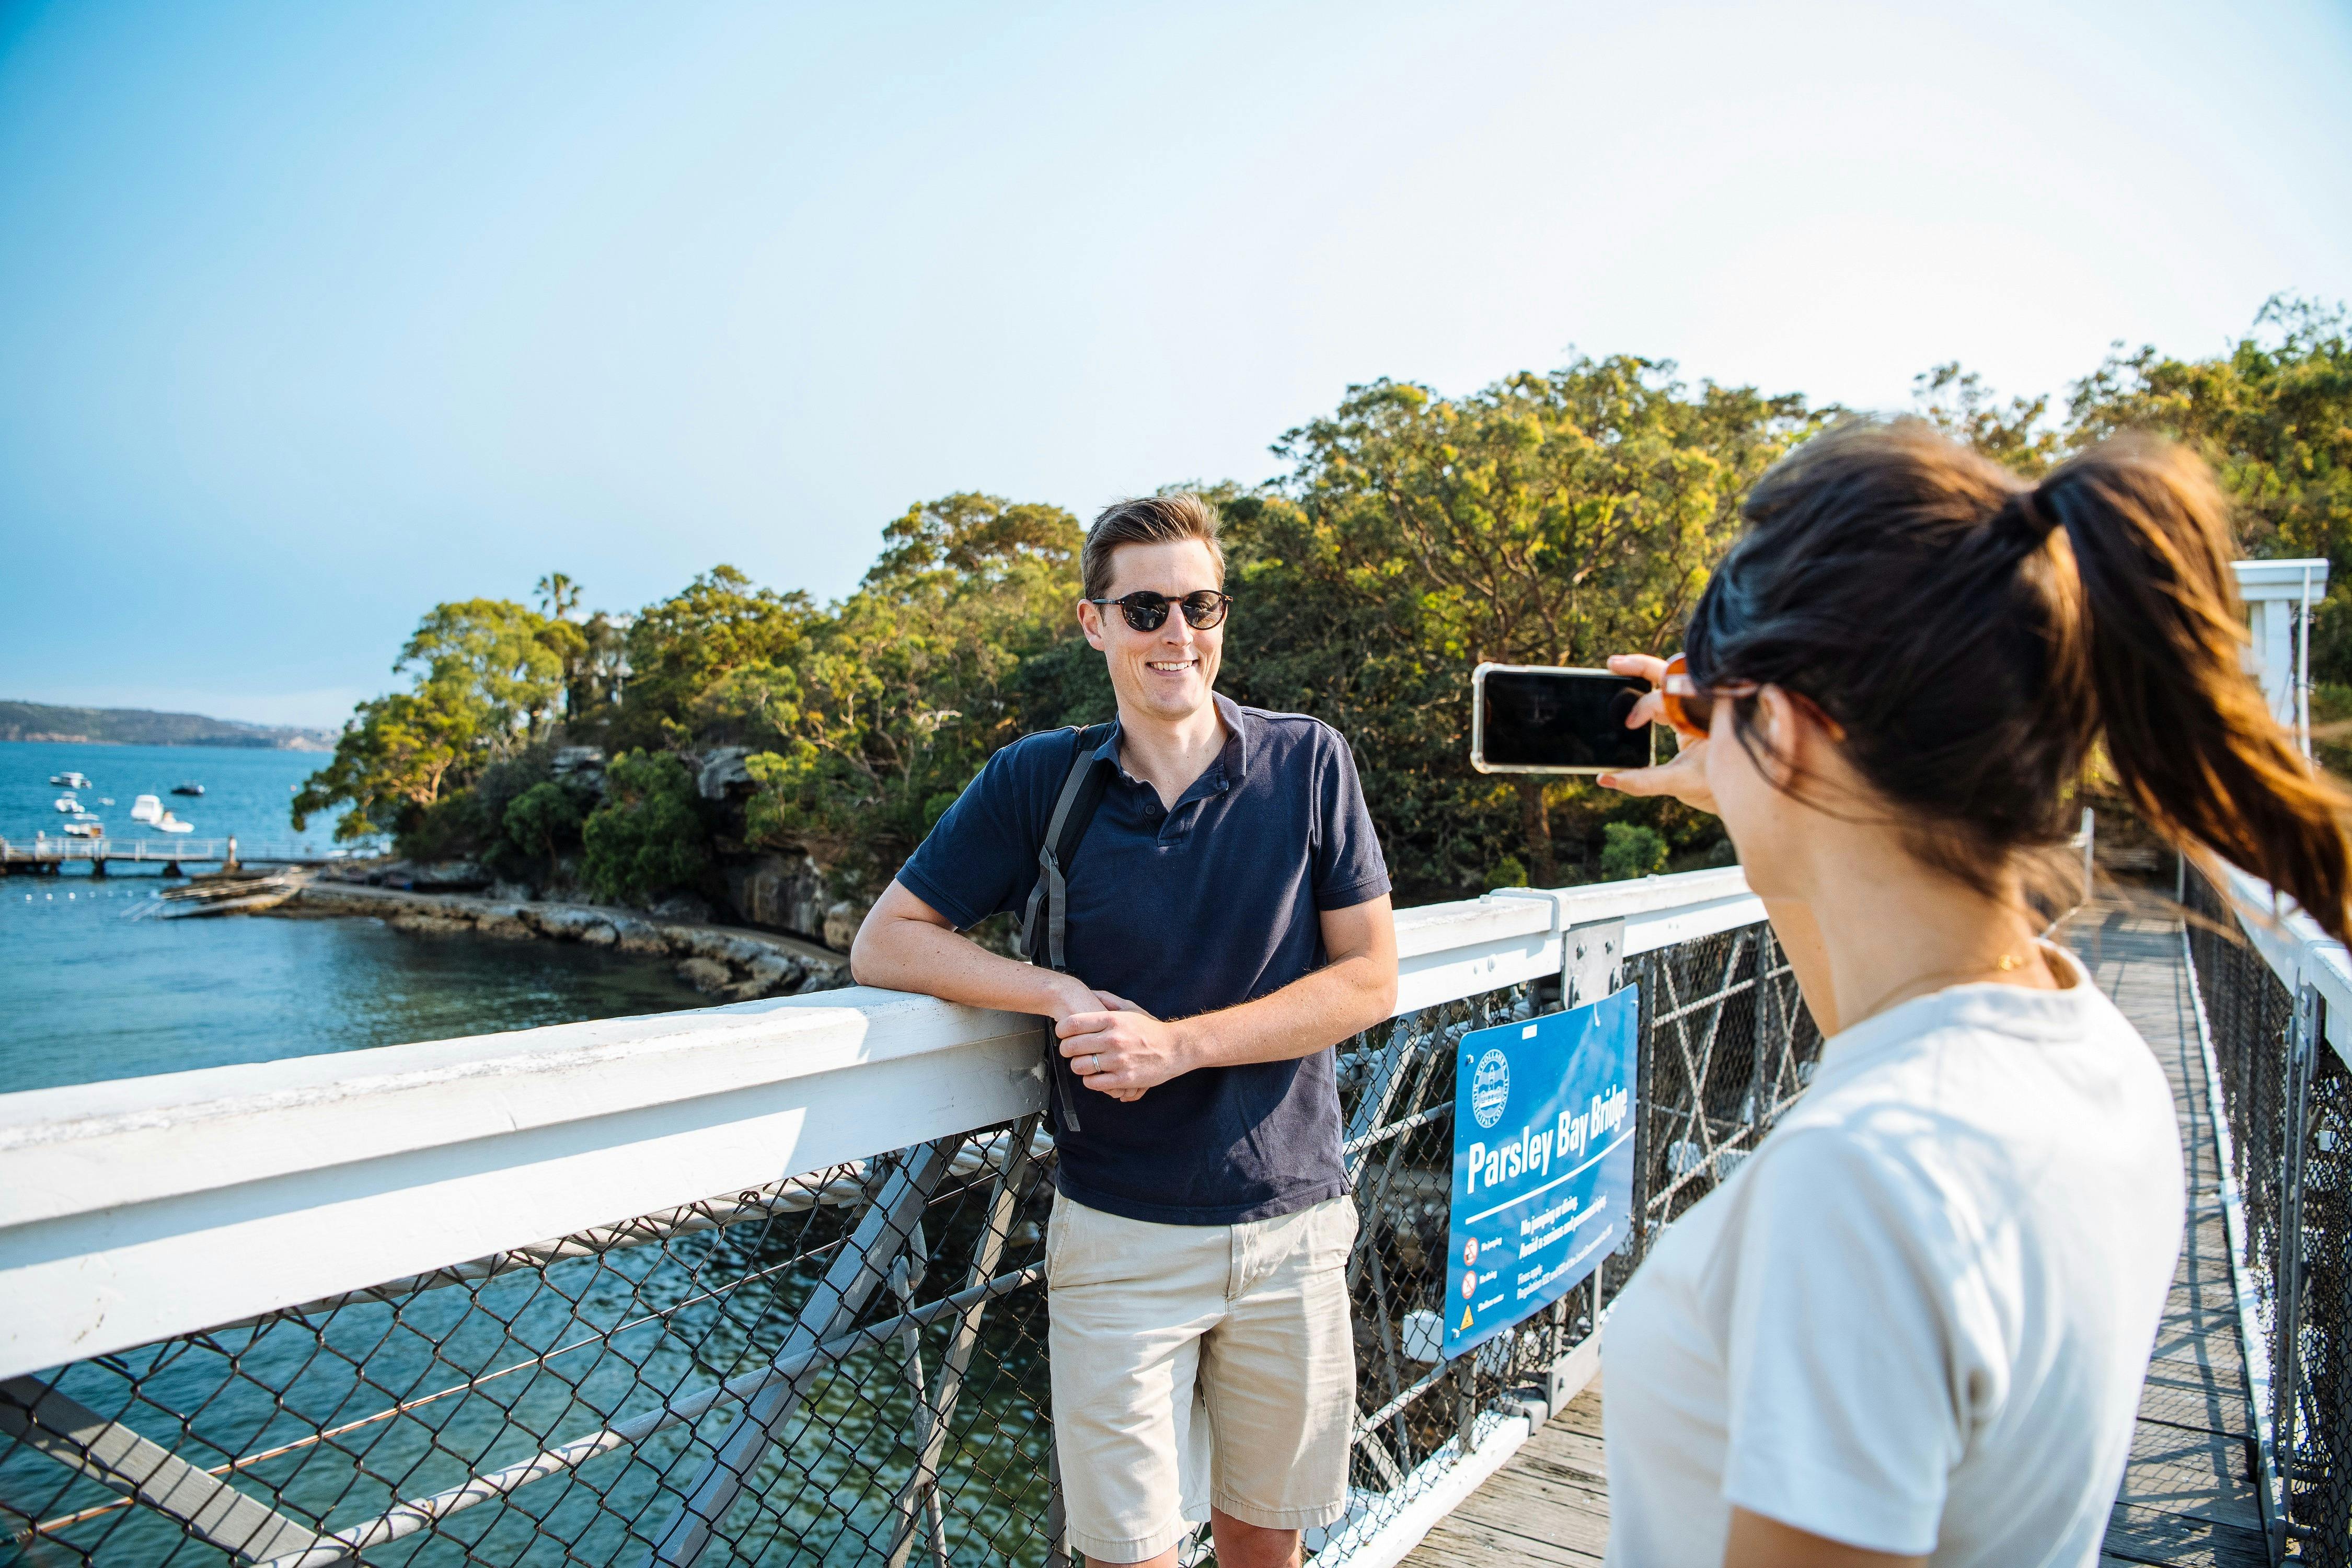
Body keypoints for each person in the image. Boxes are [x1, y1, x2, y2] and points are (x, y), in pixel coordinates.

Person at [1593, 419, 2352, 1567]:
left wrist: (1771, 783)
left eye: (1725, 710)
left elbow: (1874, 1150)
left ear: (1790, 731)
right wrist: (1762, 792)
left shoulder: (1855, 1191)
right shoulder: (2083, 1049)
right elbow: (1881, 1038)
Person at [850, 493, 1398, 1568]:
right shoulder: (1042, 779)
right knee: (1126, 1553)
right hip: (1120, 1238)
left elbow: (1370, 979)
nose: (1178, 635)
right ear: (1093, 623)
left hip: (1291, 1223)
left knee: (1263, 1546)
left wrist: (1181, 1045)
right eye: (1145, 609)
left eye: (1202, 605)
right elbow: (890, 942)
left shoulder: (1308, 763)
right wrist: (1053, 992)